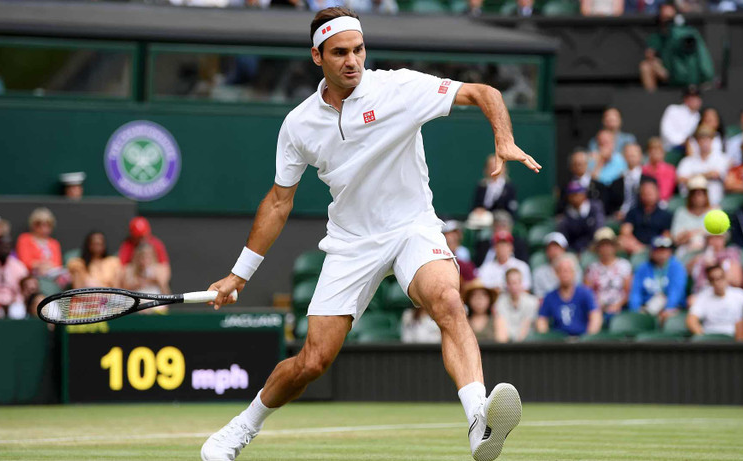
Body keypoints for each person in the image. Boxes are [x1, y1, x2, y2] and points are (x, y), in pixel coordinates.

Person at [201, 8, 534, 460]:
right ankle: (240, 428)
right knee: (312, 362)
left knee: (448, 301)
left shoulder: (398, 87)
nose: (353, 60)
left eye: (358, 49)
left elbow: (483, 91)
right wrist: (239, 275)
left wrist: (503, 138)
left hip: (412, 225)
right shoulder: (298, 124)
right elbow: (279, 202)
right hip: (351, 242)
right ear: (317, 56)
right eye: (340, 52)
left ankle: (479, 418)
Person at [640, 3, 713, 92]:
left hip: (688, 74)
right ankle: (652, 98)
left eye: (670, 19)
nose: (667, 22)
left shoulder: (688, 33)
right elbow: (650, 53)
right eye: (664, 18)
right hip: (670, 73)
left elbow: (702, 59)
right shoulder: (658, 37)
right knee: (646, 66)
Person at [537, 257, 602, 336]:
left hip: (582, 339)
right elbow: (542, 320)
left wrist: (588, 339)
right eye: (561, 271)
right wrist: (546, 337)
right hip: (558, 341)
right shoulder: (549, 296)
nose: (565, 274)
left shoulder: (586, 293)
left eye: (568, 271)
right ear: (556, 274)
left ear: (574, 273)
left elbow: (595, 317)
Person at [628, 236, 687, 318]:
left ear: (670, 252)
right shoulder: (643, 268)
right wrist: (636, 309)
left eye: (664, 250)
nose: (661, 253)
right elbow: (635, 292)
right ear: (652, 252)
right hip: (646, 308)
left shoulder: (677, 267)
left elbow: (676, 292)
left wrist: (668, 308)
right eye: (658, 250)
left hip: (669, 309)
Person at [686, 264, 743, 336]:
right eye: (713, 279)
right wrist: (703, 338)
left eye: (720, 278)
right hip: (710, 338)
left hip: (734, 337)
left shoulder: (740, 295)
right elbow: (691, 320)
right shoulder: (703, 296)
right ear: (709, 282)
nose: (717, 282)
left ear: (726, 277)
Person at [584, 227, 631, 321]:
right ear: (597, 248)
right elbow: (587, 292)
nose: (606, 248)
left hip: (619, 308)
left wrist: (618, 305)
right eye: (602, 245)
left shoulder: (624, 265)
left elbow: (628, 292)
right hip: (597, 309)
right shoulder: (592, 268)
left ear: (614, 246)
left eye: (609, 245)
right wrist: (597, 306)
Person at [619, 176, 673, 254]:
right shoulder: (633, 212)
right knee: (622, 240)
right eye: (645, 192)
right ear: (640, 194)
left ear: (657, 193)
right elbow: (625, 231)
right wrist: (638, 245)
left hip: (656, 248)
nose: (648, 195)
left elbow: (666, 236)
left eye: (651, 192)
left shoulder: (666, 215)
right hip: (635, 246)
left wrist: (652, 247)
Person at [676, 126, 728, 206]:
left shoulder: (721, 159)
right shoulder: (687, 161)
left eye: (707, 139)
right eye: (701, 139)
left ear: (712, 140)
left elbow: (716, 174)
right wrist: (707, 175)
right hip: (690, 205)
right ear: (697, 141)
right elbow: (681, 179)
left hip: (715, 203)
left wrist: (692, 178)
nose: (704, 143)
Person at [557, 181, 605, 253]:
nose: (574, 198)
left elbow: (599, 229)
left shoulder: (595, 207)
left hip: (594, 248)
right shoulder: (567, 214)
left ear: (584, 195)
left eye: (577, 194)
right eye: (571, 195)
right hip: (575, 250)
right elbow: (565, 236)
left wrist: (591, 246)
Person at [670, 175, 712, 257]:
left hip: (708, 252)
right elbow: (677, 240)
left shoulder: (714, 212)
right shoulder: (681, 213)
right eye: (694, 194)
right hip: (686, 252)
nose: (697, 197)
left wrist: (693, 234)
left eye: (701, 193)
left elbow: (720, 238)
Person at [15, 207, 63, 279]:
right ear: (33, 224)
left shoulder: (54, 243)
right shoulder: (24, 239)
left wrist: (47, 267)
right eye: (39, 224)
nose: (43, 228)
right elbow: (24, 261)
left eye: (48, 224)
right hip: (31, 276)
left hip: (53, 276)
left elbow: (58, 264)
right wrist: (40, 265)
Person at [530, 232, 582, 297]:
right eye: (550, 248)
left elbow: (577, 292)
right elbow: (539, 297)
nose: (553, 251)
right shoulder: (538, 273)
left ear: (564, 249)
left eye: (556, 247)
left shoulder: (575, 268)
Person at [493, 268, 538, 343]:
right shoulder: (499, 302)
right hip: (505, 343)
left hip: (527, 344)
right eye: (510, 283)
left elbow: (525, 328)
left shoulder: (532, 301)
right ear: (506, 284)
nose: (514, 286)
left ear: (521, 283)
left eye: (517, 282)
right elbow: (501, 329)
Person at [557, 148, 605, 215]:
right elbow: (561, 207)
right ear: (571, 166)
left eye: (581, 164)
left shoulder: (598, 186)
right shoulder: (566, 186)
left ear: (587, 164)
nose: (578, 167)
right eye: (575, 164)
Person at [606, 143, 643, 220]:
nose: (631, 157)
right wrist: (616, 213)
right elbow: (610, 204)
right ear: (624, 157)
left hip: (641, 216)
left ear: (640, 156)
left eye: (634, 154)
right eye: (629, 154)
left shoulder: (648, 180)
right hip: (620, 217)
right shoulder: (616, 183)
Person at [0, 235, 29, 319]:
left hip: (12, 303)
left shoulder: (18, 266)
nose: (4, 249)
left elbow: (22, 291)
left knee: (18, 311)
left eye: (7, 246)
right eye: (2, 246)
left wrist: (13, 302)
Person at [659, 86, 702, 152]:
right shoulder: (673, 110)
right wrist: (682, 141)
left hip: (690, 150)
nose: (694, 101)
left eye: (696, 98)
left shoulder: (698, 117)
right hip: (670, 149)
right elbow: (666, 132)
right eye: (691, 97)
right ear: (685, 99)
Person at [641, 137, 676, 203]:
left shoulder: (670, 170)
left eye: (658, 150)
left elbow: (665, 193)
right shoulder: (642, 169)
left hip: (662, 203)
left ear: (663, 153)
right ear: (648, 152)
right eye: (652, 149)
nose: (655, 152)